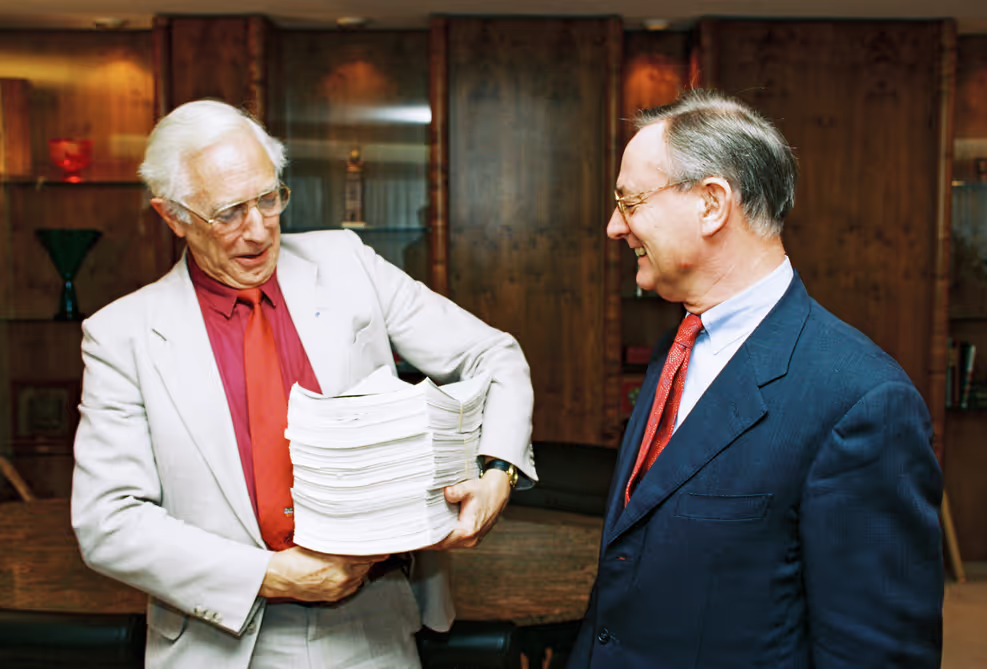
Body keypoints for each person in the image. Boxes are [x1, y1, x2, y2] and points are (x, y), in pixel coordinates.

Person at [71, 99, 536, 669]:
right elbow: (108, 522)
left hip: (374, 624)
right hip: (219, 639)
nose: (259, 229)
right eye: (229, 212)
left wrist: (499, 472)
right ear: (173, 216)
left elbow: (494, 354)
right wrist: (269, 576)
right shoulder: (123, 335)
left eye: (269, 198)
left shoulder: (346, 262)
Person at [568, 89, 943, 668]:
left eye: (630, 201)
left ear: (712, 204)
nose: (615, 226)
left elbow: (876, 653)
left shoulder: (863, 400)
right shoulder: (678, 347)